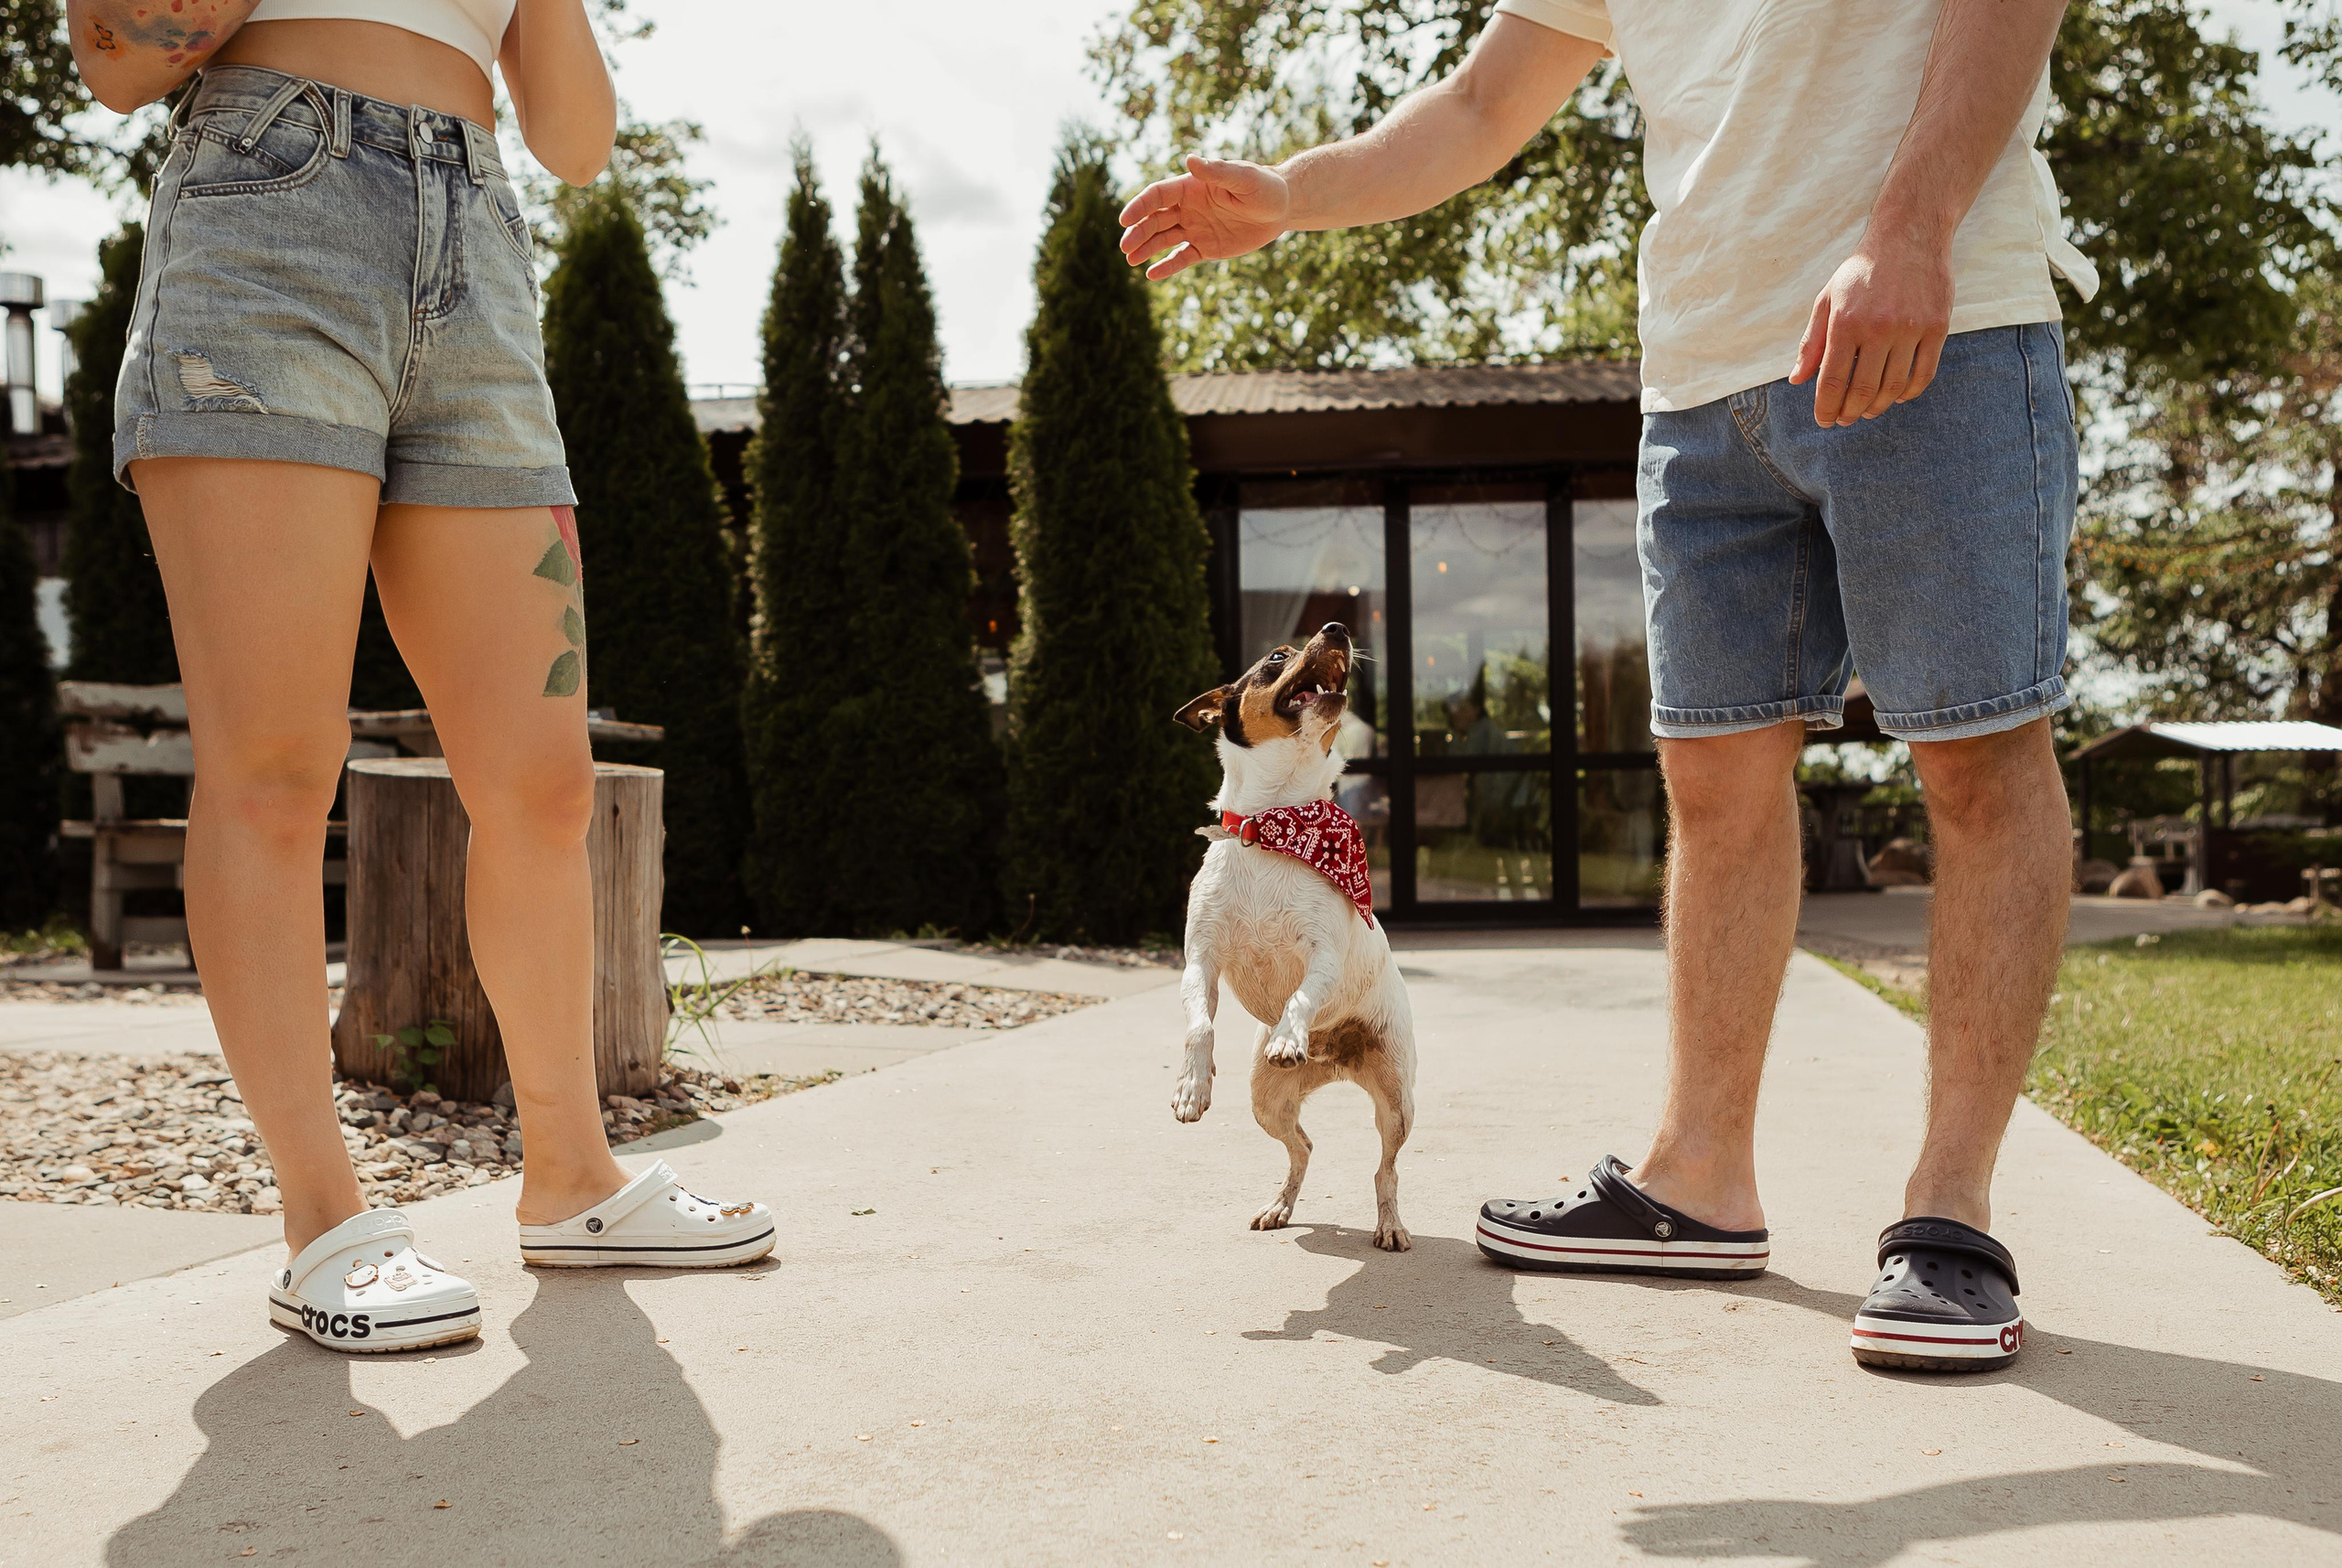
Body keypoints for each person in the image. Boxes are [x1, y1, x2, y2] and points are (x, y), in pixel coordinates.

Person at [1120, 0, 2090, 1373]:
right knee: (1714, 779)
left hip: (1937, 317)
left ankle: (1951, 1217)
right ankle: (1700, 1179)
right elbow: (1476, 108)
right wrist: (1291, 195)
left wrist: (1914, 228)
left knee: (1978, 760)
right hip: (1702, 378)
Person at [67, 0, 772, 1355]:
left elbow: (576, 141)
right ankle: (323, 1222)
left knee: (544, 783)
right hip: (268, 211)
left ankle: (573, 1179)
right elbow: (115, 63)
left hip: (476, 236)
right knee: (277, 767)